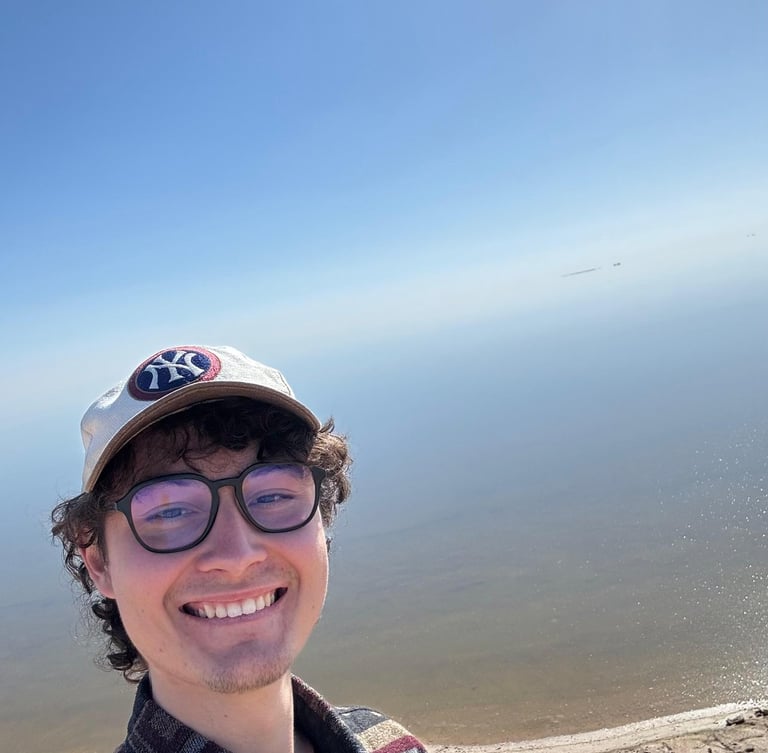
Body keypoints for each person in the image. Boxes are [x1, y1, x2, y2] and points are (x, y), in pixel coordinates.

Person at [52, 344, 427, 753]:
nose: (237, 556)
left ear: (322, 523)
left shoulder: (388, 741)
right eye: (171, 511)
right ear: (98, 561)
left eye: (272, 495)